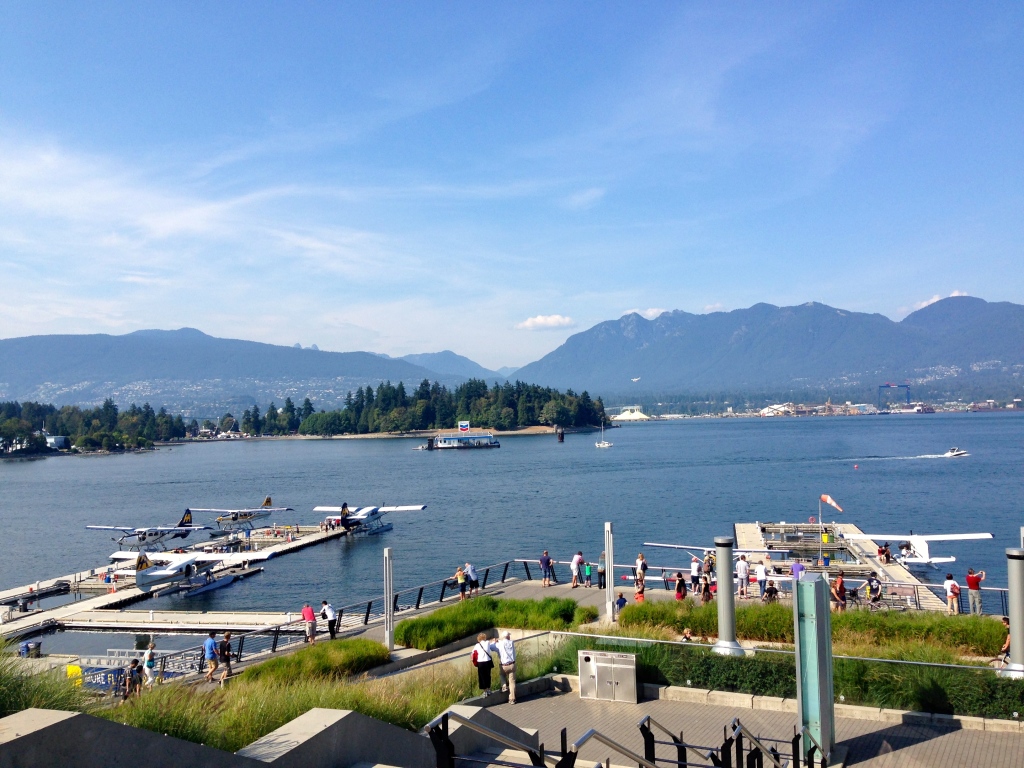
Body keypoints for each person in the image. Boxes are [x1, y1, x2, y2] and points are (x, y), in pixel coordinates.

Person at [490, 630, 517, 704]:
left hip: (504, 665)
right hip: (512, 664)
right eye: (509, 635)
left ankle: (504, 686)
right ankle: (512, 699)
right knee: (512, 682)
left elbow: (490, 647)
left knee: (502, 675)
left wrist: (494, 642)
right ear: (508, 636)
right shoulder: (511, 642)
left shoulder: (499, 644)